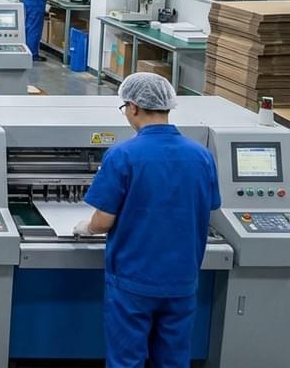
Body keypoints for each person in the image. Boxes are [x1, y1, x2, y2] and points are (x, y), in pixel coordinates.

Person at [75, 73, 220, 368]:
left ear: (133, 107)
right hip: (182, 280)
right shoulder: (202, 155)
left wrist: (85, 227)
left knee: (126, 360)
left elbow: (103, 221)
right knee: (173, 359)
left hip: (133, 281)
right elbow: (209, 206)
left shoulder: (122, 155)